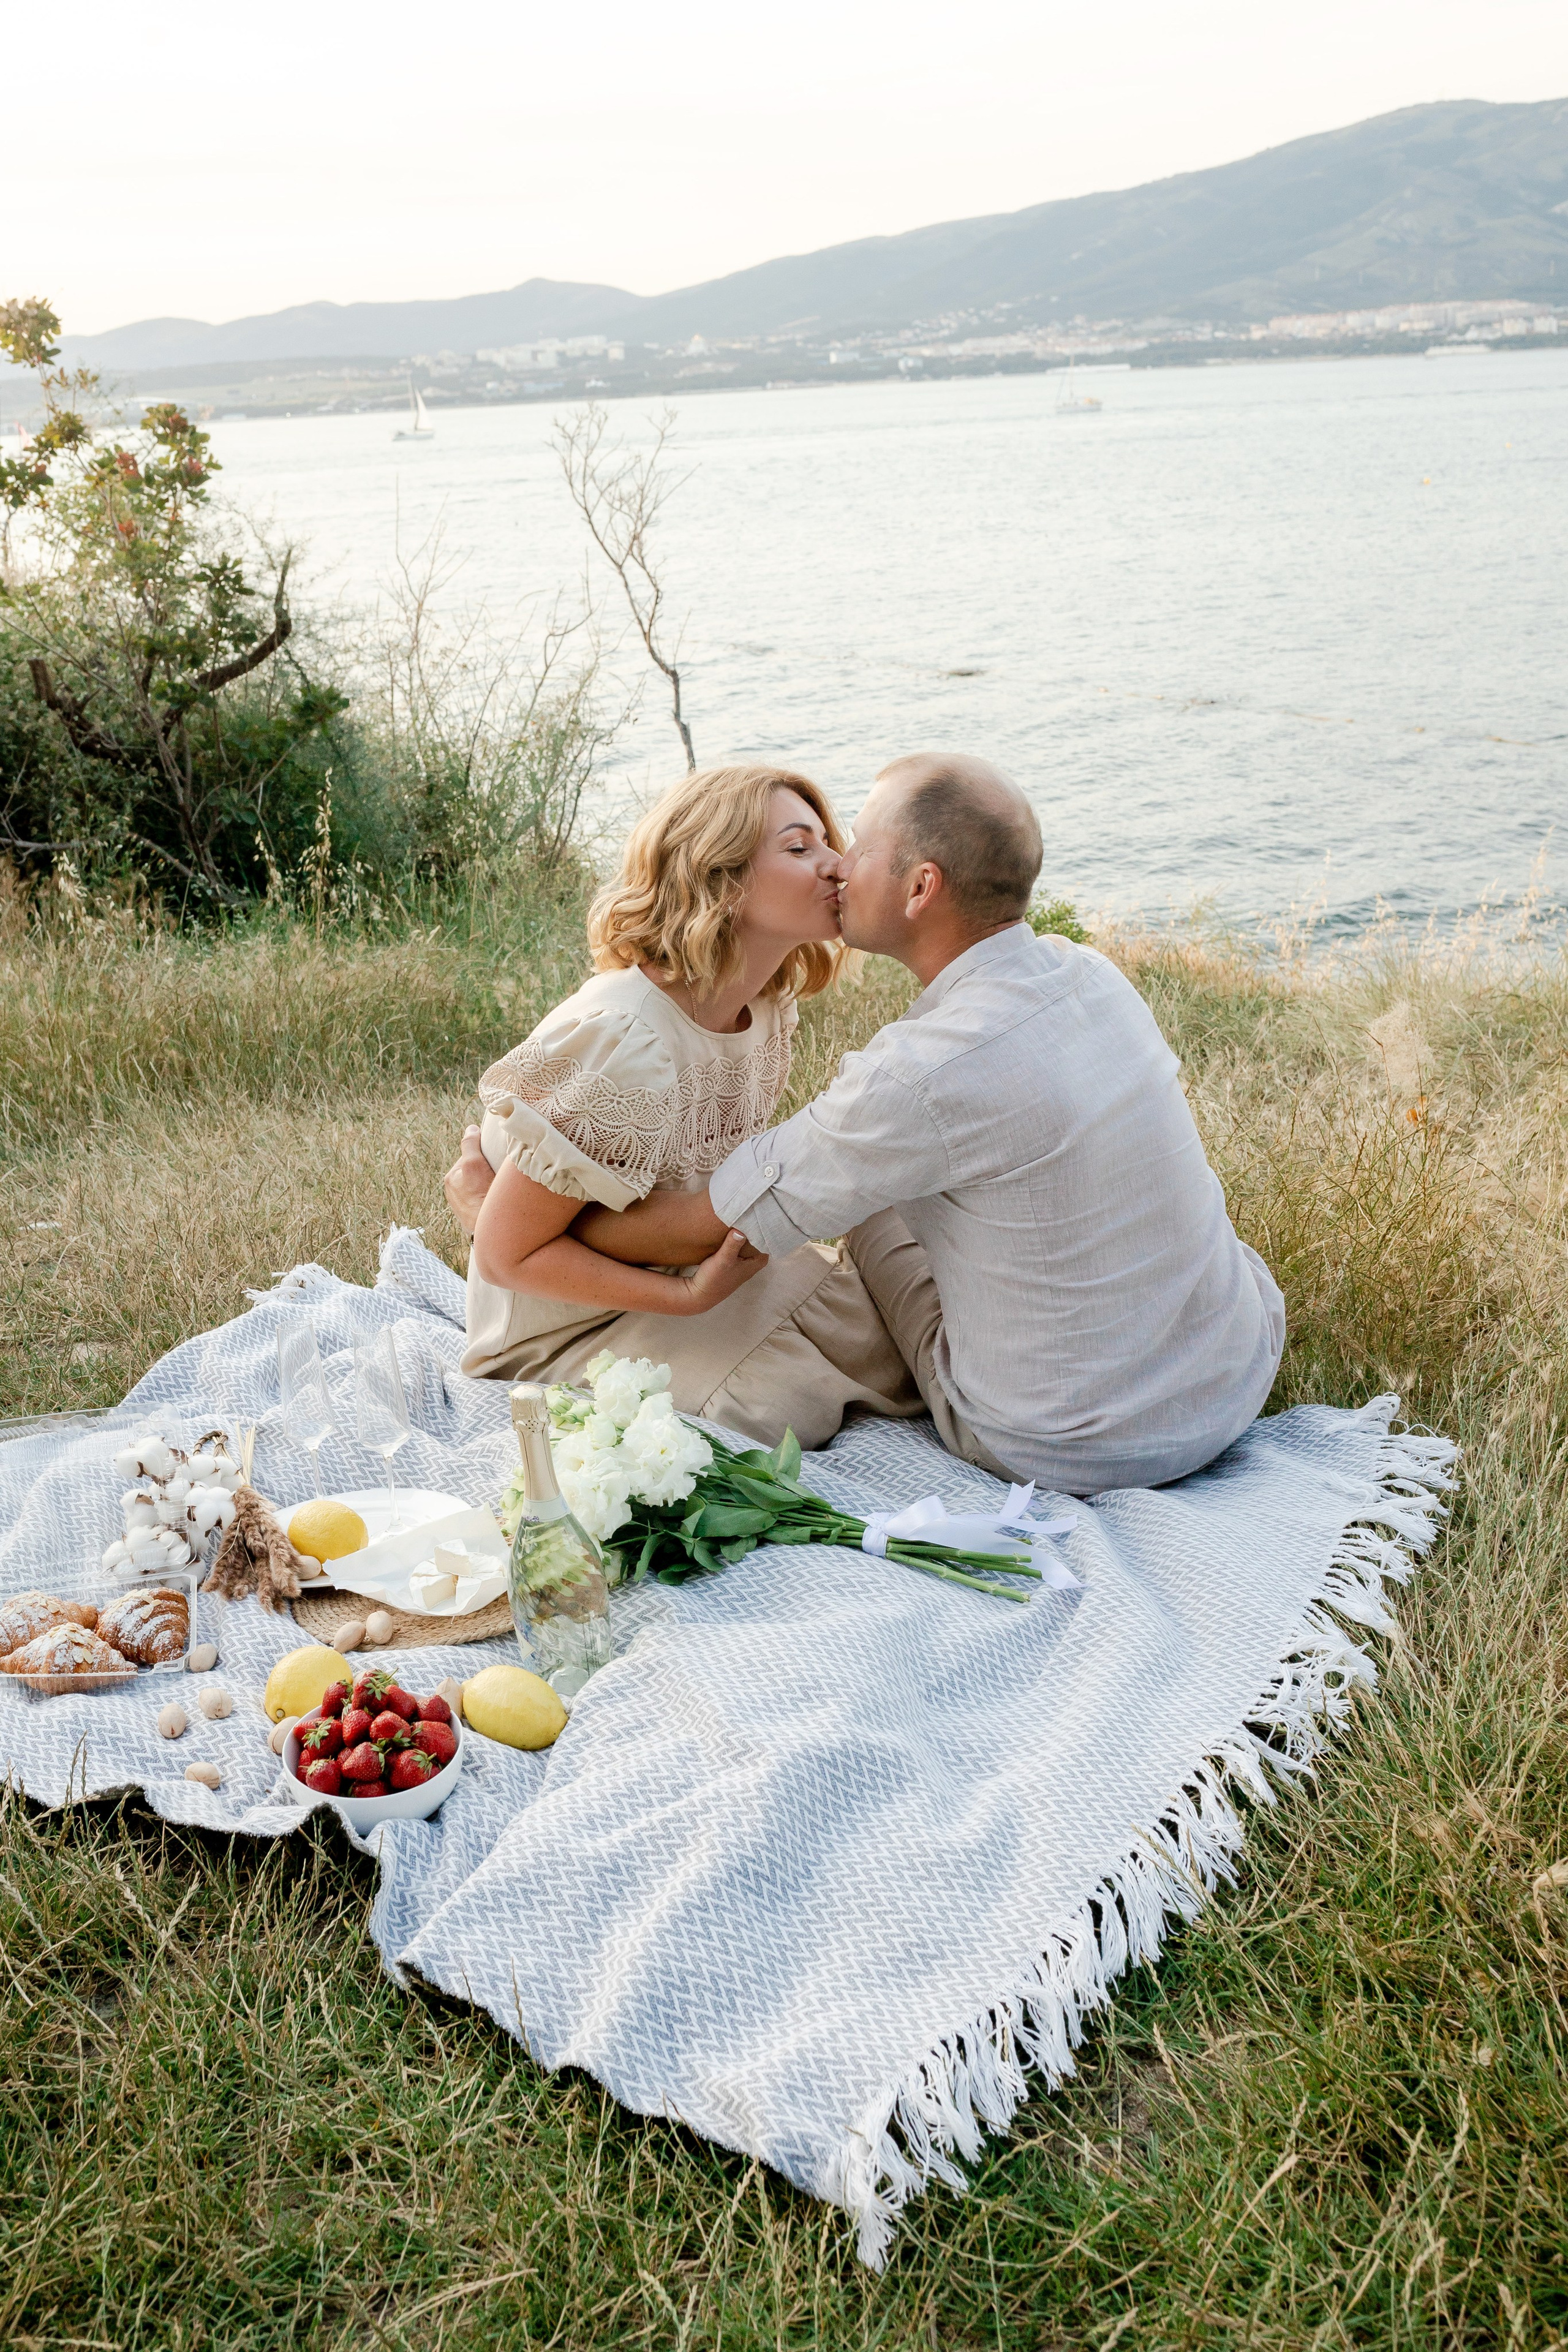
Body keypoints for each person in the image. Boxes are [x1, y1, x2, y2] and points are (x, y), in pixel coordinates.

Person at [502, 750, 1287, 1495]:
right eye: (808, 846)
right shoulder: (1094, 975)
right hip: (1234, 1371)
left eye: (856, 847)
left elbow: (726, 1219)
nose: (839, 865)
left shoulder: (912, 1076)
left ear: (919, 889)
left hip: (1063, 1441)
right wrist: (524, 1235)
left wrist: (496, 1220)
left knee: (865, 1195)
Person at [451, 762, 920, 1450]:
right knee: (770, 1401)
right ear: (719, 881)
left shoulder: (762, 1007)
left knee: (866, 1324)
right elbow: (506, 1254)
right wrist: (690, 1300)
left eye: (829, 842)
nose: (837, 866)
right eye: (799, 849)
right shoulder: (626, 1038)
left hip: (667, 1269)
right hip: (565, 1332)